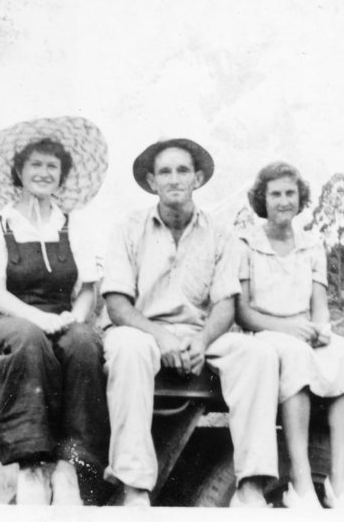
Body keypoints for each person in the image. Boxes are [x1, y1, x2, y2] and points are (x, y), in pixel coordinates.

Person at [100, 138, 280, 508]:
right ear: (152, 182)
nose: (174, 179)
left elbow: (225, 304)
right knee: (126, 349)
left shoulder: (220, 233)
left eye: (183, 170)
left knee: (258, 354)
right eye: (164, 171)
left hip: (201, 335)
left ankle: (251, 485)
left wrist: (200, 342)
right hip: (142, 331)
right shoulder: (127, 228)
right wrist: (161, 337)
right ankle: (135, 488)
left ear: (197, 178)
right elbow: (118, 304)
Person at [0, 116, 111, 505]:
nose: (44, 173)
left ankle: (68, 467)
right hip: (10, 321)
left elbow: (87, 289)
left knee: (84, 342)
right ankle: (32, 469)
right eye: (36, 164)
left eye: (52, 166)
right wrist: (40, 319)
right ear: (19, 170)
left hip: (61, 317)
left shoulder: (73, 225)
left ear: (62, 175)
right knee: (29, 338)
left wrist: (76, 317)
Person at [235, 161, 344, 509]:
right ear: (262, 199)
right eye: (275, 194)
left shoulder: (312, 244)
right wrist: (288, 329)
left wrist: (321, 330)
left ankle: (339, 483)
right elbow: (244, 312)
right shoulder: (246, 242)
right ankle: (301, 479)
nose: (283, 201)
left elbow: (319, 305)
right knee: (293, 356)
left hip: (303, 331)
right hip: (266, 333)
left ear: (300, 197)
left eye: (289, 193)